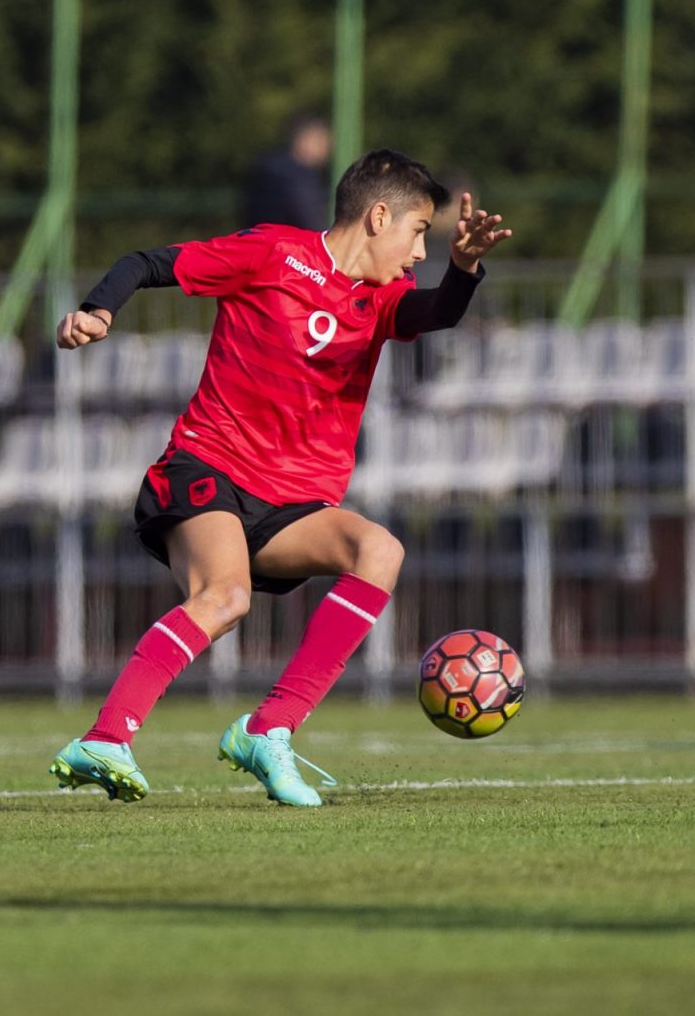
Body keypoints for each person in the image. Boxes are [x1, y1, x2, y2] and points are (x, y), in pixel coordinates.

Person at [50, 149, 510, 806]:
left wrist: (463, 270)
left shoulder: (384, 299)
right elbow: (146, 263)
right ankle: (105, 737)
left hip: (292, 501)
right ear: (379, 216)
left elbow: (436, 314)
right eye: (417, 233)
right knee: (225, 597)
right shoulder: (271, 253)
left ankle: (269, 730)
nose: (417, 253)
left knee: (378, 551)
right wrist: (99, 310)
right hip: (207, 468)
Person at [239, 113, 332, 230]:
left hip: (258, 239)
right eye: (321, 142)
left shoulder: (266, 167)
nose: (326, 149)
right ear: (304, 141)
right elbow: (308, 218)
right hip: (289, 244)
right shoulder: (299, 177)